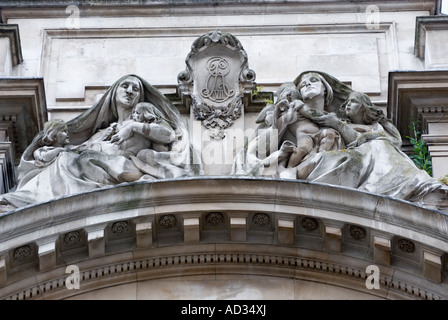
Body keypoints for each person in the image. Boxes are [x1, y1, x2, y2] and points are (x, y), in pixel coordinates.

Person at [303, 91, 447, 205]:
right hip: (356, 155)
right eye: (347, 102)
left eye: (353, 102)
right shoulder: (341, 123)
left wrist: (340, 125)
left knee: (380, 144)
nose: (347, 105)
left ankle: (399, 183)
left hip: (370, 156)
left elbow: (383, 140)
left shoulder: (376, 127)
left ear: (364, 107)